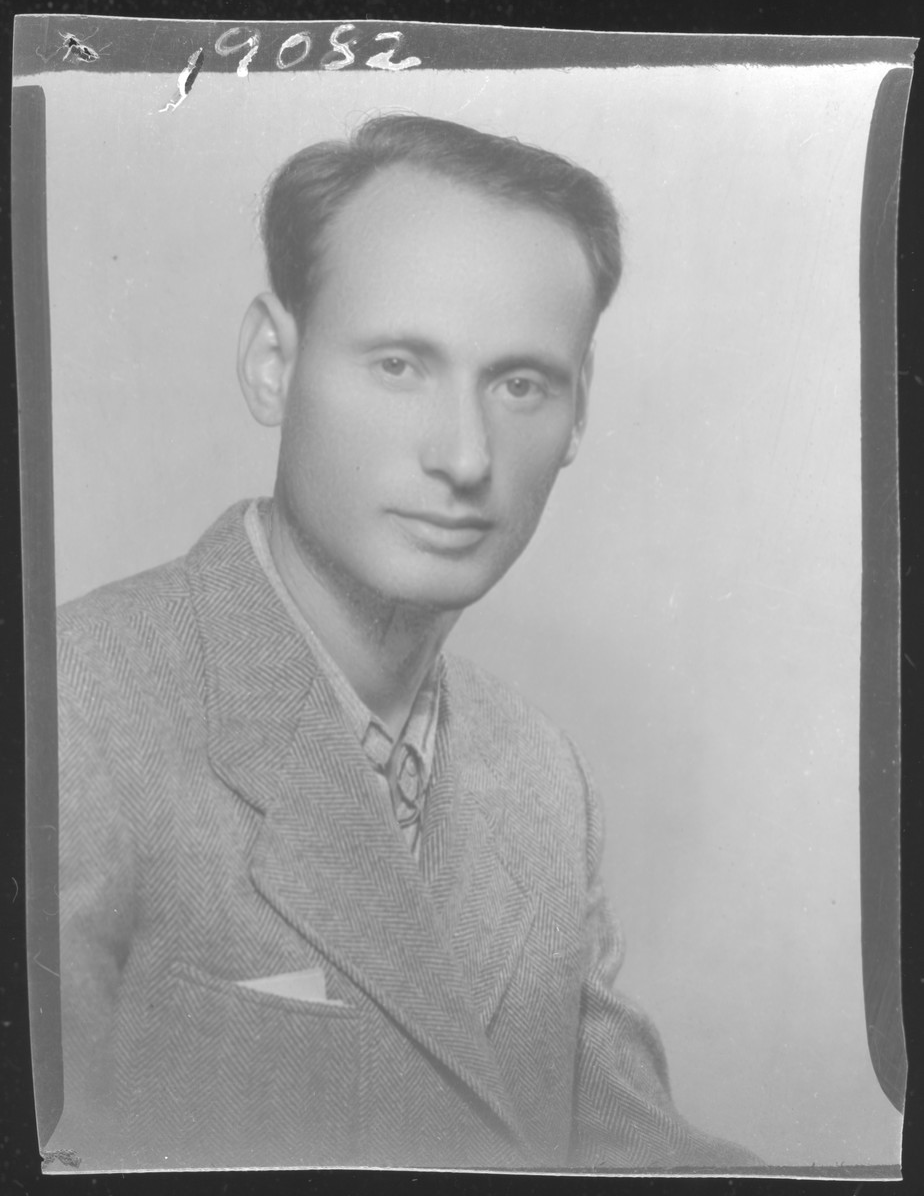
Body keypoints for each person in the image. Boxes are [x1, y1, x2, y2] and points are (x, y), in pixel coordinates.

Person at [51, 113, 760, 1171]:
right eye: (399, 365)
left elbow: (632, 1159)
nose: (466, 456)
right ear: (271, 366)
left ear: (577, 418)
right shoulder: (72, 705)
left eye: (521, 384)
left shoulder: (542, 777)